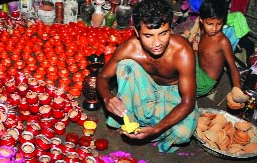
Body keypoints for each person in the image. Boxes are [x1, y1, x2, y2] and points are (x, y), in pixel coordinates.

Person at [96, 0, 198, 153]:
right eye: (148, 36)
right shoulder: (130, 48)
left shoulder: (182, 51)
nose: (157, 43)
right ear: (137, 33)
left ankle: (150, 126)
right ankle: (131, 119)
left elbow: (188, 102)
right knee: (126, 66)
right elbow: (103, 76)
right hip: (145, 89)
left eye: (163, 33)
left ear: (170, 29)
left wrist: (157, 129)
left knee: (182, 134)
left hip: (173, 94)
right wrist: (107, 97)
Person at [195, 0, 245, 98]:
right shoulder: (202, 30)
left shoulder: (222, 42)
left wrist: (237, 89)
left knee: (175, 79)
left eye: (219, 24)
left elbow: (233, 68)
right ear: (201, 20)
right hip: (198, 68)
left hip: (204, 82)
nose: (214, 28)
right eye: (210, 24)